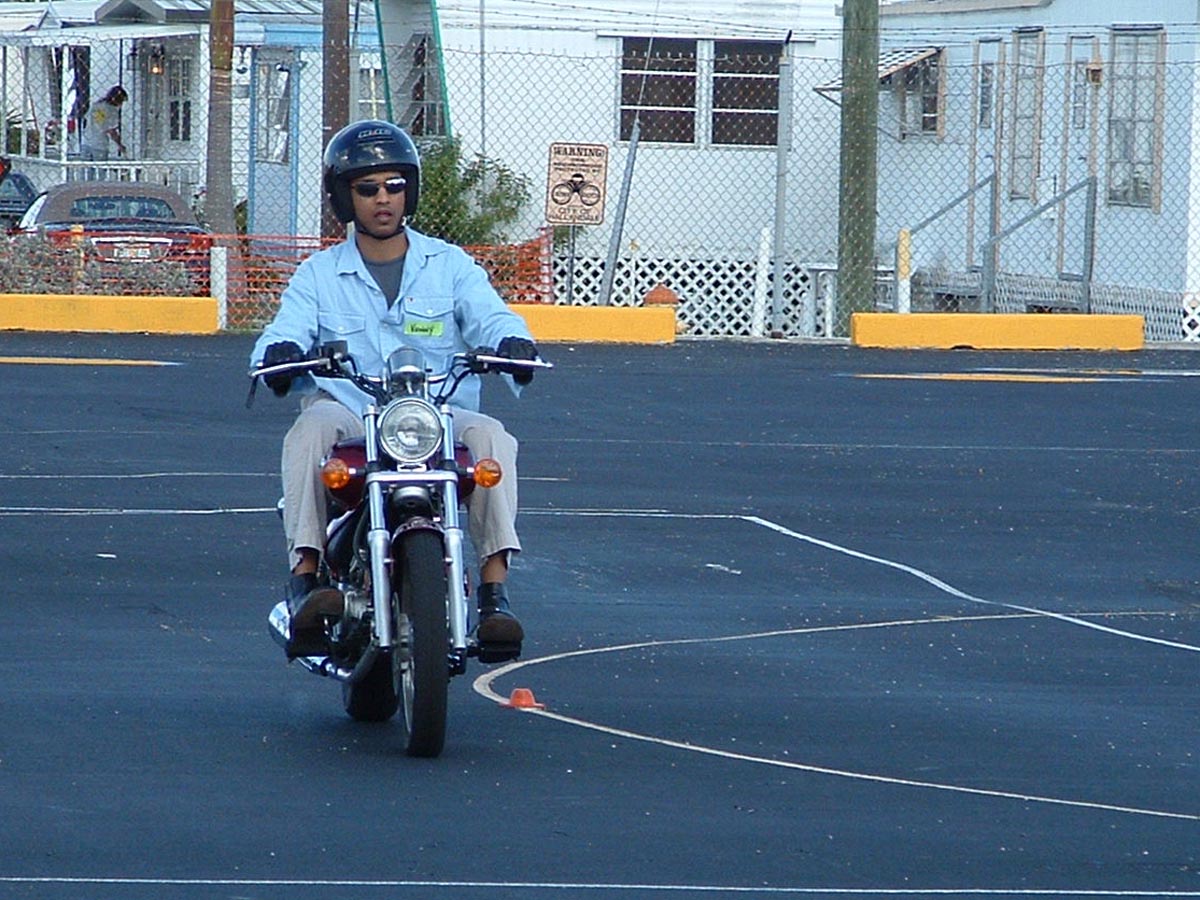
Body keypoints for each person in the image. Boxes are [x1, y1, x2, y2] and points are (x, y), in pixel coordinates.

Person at [250, 119, 540, 660]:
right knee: (309, 430)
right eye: (367, 189)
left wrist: (512, 344)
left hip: (436, 415)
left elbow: (491, 315)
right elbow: (287, 326)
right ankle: (305, 579)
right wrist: (280, 353)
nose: (383, 199)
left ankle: (494, 596)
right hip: (350, 411)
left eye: (394, 186)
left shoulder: (450, 265)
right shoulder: (318, 274)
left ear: (410, 191)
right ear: (344, 198)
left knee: (494, 438)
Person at [81, 85, 127, 161]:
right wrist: (120, 144)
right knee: (100, 167)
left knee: (85, 166)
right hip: (100, 144)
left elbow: (86, 119)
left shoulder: (96, 105)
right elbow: (111, 131)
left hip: (86, 141)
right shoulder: (112, 110)